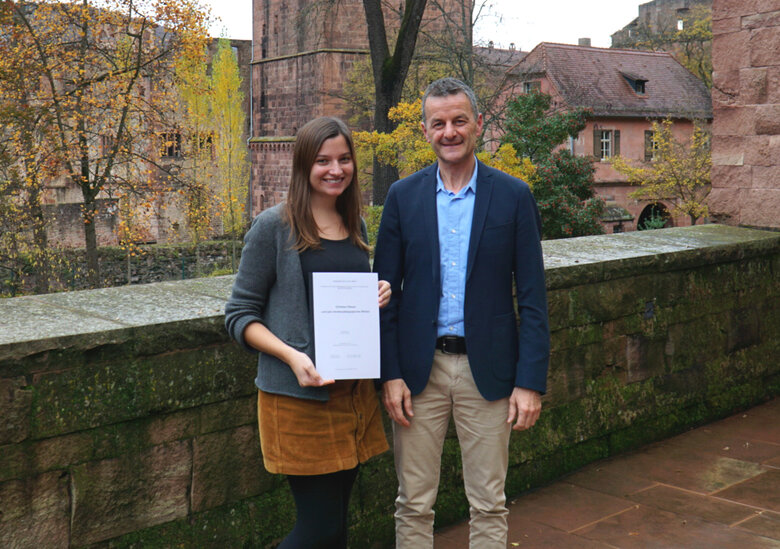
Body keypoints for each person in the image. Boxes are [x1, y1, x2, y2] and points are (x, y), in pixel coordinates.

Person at [373, 77, 550, 548]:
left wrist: (529, 381)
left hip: (487, 371)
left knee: (489, 503)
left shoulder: (513, 196)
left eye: (458, 121)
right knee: (413, 502)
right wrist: (389, 374)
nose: (448, 132)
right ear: (426, 131)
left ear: (477, 124)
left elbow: (532, 297)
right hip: (418, 371)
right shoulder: (402, 197)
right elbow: (383, 297)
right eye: (438, 123)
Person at [225, 116, 390, 549]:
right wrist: (294, 357)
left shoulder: (355, 225)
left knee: (336, 527)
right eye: (322, 161)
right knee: (318, 530)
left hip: (352, 395)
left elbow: (345, 307)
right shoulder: (273, 228)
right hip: (300, 400)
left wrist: (376, 295)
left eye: (344, 159)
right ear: (303, 165)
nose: (336, 170)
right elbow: (239, 316)